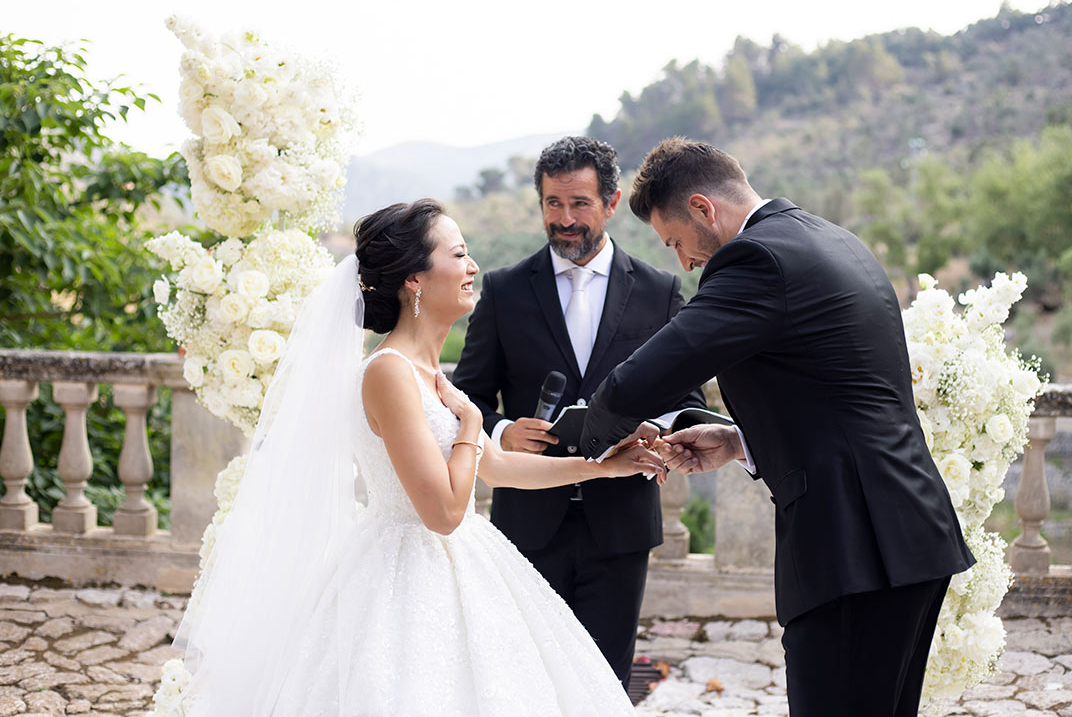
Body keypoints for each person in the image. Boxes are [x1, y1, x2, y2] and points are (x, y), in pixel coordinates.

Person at [171, 199, 654, 716]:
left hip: (470, 561)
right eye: (459, 254)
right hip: (403, 575)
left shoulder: (429, 371)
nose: (473, 268)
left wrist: (602, 466)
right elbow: (443, 513)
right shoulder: (388, 373)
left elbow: (497, 467)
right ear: (415, 280)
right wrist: (472, 424)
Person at [578, 138, 975, 717]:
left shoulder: (756, 259)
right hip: (909, 533)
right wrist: (738, 440)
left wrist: (588, 437)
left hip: (853, 546)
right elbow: (838, 397)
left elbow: (658, 368)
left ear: (703, 209)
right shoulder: (834, 239)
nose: (684, 262)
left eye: (676, 242)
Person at [452, 136, 705, 687]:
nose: (564, 219)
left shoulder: (660, 293)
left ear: (611, 204)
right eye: (552, 204)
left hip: (621, 527)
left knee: (603, 682)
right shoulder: (504, 290)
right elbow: (465, 394)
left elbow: (688, 401)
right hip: (526, 524)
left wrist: (655, 430)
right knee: (524, 680)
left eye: (580, 204)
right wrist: (499, 431)